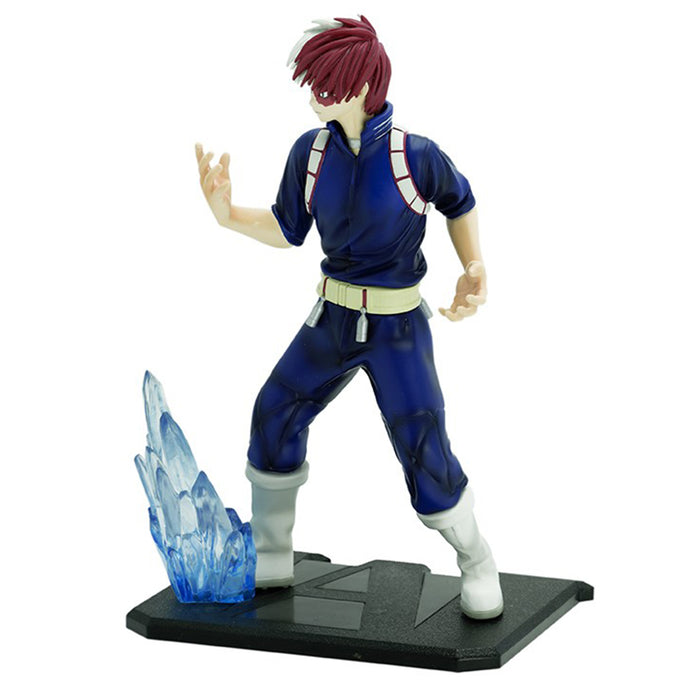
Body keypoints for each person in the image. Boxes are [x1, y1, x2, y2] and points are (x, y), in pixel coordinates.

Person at [195, 16, 504, 619]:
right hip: (332, 318)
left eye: (325, 83)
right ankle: (272, 553)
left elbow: (460, 201)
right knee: (275, 412)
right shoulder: (310, 154)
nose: (313, 96)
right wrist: (228, 215)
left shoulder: (414, 155)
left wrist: (474, 267)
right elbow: (288, 228)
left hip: (397, 327)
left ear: (361, 86)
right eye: (312, 81)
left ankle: (477, 560)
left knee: (423, 445)